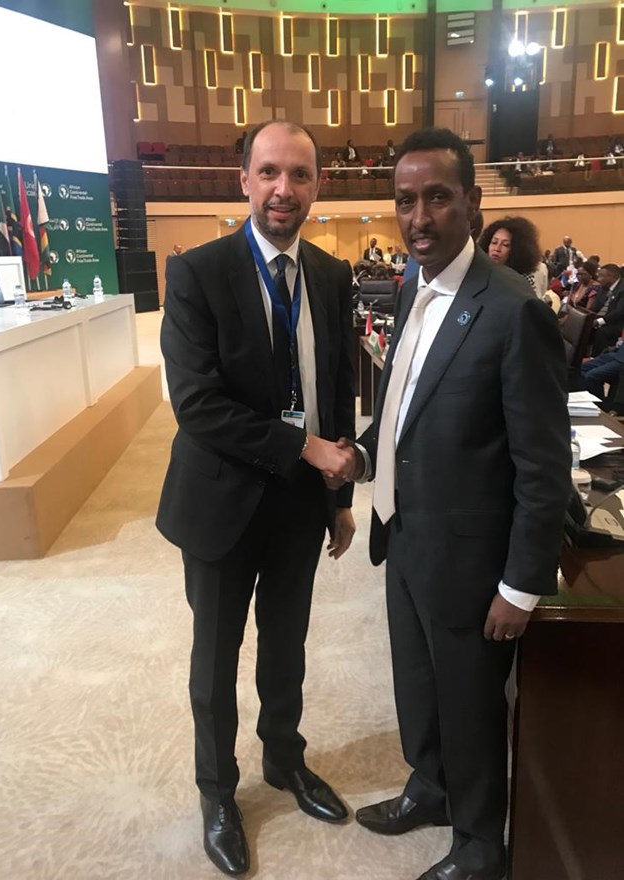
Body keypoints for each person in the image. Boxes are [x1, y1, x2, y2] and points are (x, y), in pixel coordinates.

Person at [334, 127, 571, 880]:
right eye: (405, 200)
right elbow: (402, 406)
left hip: (470, 559)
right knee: (419, 686)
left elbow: (543, 464)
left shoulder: (511, 310)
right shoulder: (414, 287)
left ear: (471, 203)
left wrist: (521, 584)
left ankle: (478, 846)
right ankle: (431, 788)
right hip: (404, 533)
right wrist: (363, 456)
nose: (419, 217)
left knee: (470, 707)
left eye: (437, 197)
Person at [157, 120, 357, 877]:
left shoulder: (331, 275)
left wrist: (338, 496)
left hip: (300, 505)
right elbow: (197, 405)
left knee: (286, 646)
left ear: (317, 185)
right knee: (215, 661)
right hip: (220, 504)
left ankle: (284, 759)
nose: (283, 188)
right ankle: (217, 793)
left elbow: (334, 387)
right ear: (243, 180)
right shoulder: (198, 272)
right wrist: (304, 448)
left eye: (299, 174)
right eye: (269, 172)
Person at [479, 216, 547, 298]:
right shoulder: (481, 274)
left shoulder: (524, 282)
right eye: (494, 242)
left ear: (517, 250)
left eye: (505, 245)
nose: (497, 249)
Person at [580, 333, 624, 409]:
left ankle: (600, 406)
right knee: (582, 368)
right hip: (618, 352)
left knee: (592, 376)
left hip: (622, 360)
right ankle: (588, 401)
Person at [591, 263, 624, 355]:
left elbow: (619, 312)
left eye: (601, 276)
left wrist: (600, 321)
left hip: (617, 323)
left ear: (612, 276)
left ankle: (597, 357)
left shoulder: (622, 288)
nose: (598, 279)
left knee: (602, 332)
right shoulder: (604, 287)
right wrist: (589, 317)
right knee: (583, 327)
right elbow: (596, 307)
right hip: (603, 319)